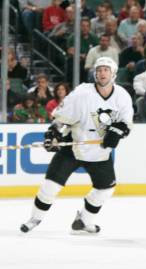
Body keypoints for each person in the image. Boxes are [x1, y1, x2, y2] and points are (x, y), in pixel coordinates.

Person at [20, 57, 133, 235]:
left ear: (113, 74)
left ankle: (84, 220)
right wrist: (54, 133)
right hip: (73, 148)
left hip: (100, 153)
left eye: (106, 70)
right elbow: (62, 118)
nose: (102, 73)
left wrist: (117, 132)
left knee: (106, 190)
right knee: (50, 185)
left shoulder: (122, 96)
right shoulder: (82, 93)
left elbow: (126, 123)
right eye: (99, 69)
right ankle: (35, 218)